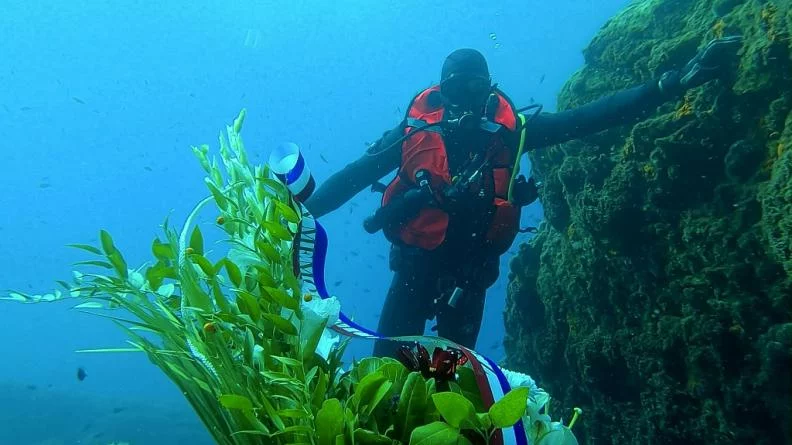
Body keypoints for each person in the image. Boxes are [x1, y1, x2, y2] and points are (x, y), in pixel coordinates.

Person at [305, 37, 742, 358]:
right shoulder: (412, 134)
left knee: (453, 383)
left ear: (490, 89)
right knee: (388, 375)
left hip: (472, 277)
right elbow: (352, 178)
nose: (466, 103)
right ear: (440, 93)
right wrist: (302, 211)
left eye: (476, 90)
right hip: (414, 270)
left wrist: (670, 85)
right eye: (456, 91)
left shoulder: (514, 134)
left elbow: (591, 117)